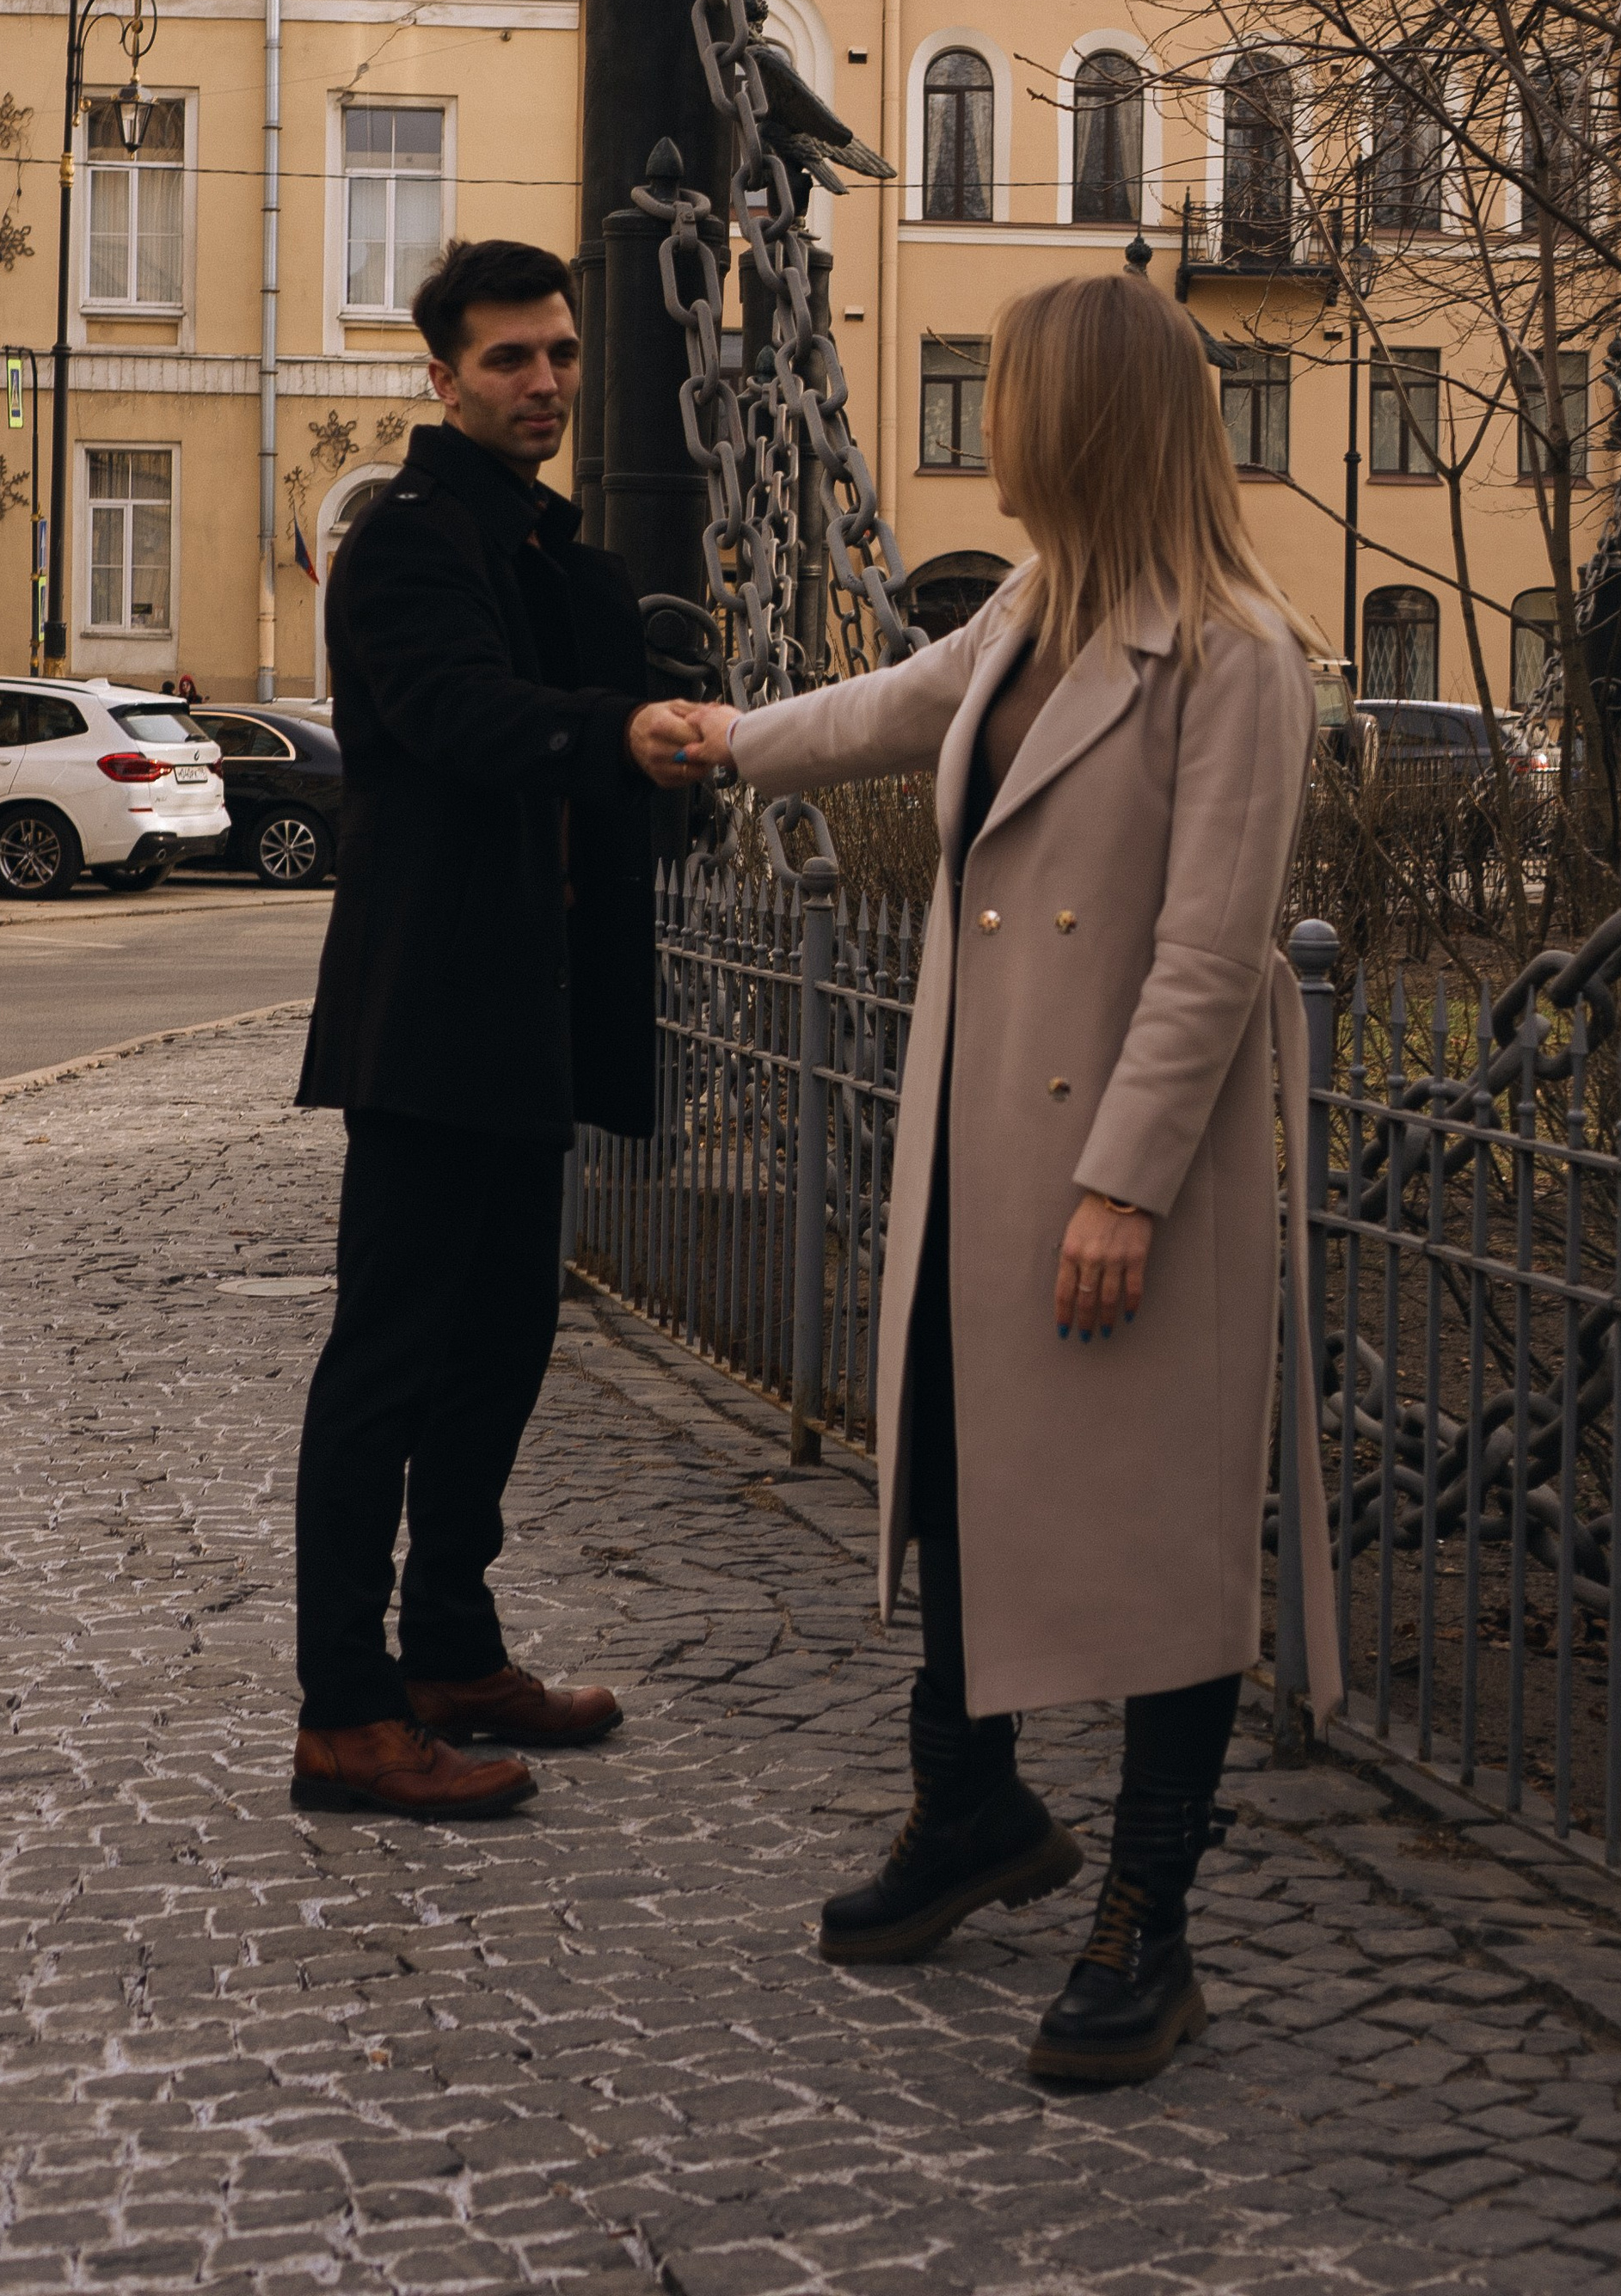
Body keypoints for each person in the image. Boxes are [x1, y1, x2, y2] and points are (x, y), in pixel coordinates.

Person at [671, 273, 1342, 2086]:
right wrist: (727, 738)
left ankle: (1148, 1916)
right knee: (962, 1475)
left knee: (1163, 1537)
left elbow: (1210, 956)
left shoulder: (1234, 654)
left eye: (1016, 391)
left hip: (1132, 1170)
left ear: (1086, 419)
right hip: (982, 1140)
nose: (995, 426)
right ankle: (969, 1807)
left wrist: (1123, 1187)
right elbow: (898, 706)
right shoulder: (1040, 606)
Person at [289, 236, 695, 1821]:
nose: (545, 383)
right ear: (443, 376)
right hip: (428, 1013)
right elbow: (459, 714)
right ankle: (345, 1712)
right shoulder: (404, 545)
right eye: (510, 358)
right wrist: (622, 727)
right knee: (387, 1364)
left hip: (531, 1012)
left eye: (562, 353)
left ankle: (452, 1651)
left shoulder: (545, 550)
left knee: (507, 1341)